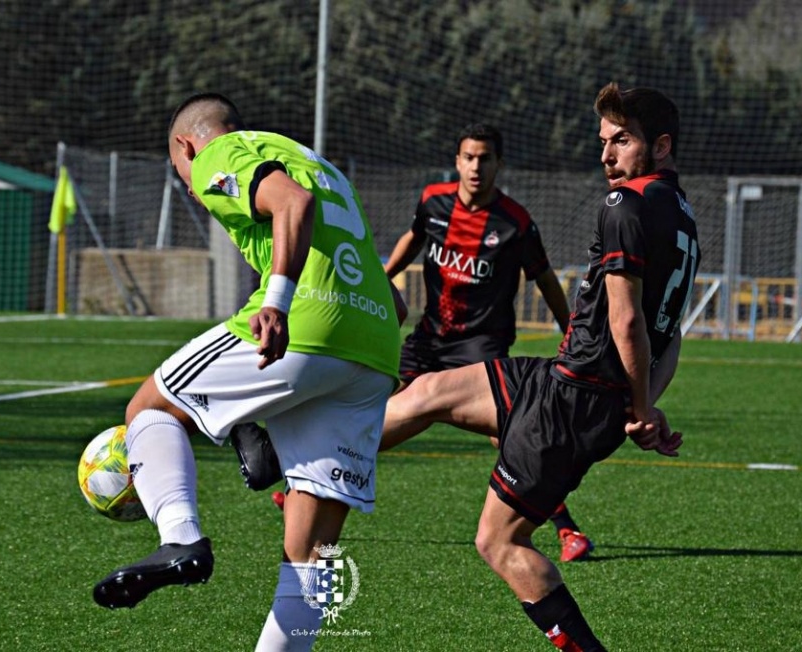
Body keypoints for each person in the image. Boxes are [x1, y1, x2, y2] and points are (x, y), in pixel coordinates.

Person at [382, 82, 699, 650]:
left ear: (662, 145)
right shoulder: (683, 217)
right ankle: (303, 453)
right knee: (428, 392)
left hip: (575, 400)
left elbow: (629, 324)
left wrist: (642, 406)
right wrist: (644, 405)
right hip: (563, 381)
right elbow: (669, 331)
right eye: (603, 141)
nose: (606, 155)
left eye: (621, 141)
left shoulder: (625, 203)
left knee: (498, 542)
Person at [91, 93, 402, 652]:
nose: (190, 186)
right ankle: (254, 429)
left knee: (151, 408)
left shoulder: (221, 152)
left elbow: (293, 205)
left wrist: (278, 301)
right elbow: (380, 286)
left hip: (306, 323)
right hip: (374, 349)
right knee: (313, 556)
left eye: (180, 171)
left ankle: (180, 539)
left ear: (187, 144)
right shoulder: (320, 163)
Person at [379, 122, 593, 563]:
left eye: (485, 158)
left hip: (482, 344)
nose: (476, 166)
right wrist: (380, 279)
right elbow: (413, 239)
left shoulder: (514, 223)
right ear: (457, 161)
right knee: (373, 398)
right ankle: (311, 485)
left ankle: (567, 529)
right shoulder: (432, 201)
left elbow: (546, 280)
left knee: (508, 436)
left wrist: (571, 333)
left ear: (499, 164)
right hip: (430, 337)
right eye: (469, 157)